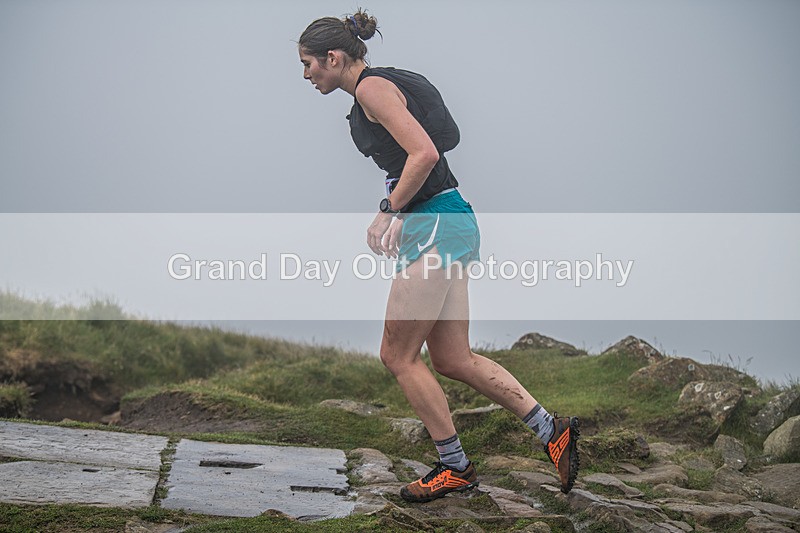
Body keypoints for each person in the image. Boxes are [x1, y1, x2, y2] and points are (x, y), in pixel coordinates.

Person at [297, 10, 579, 502]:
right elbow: (425, 156)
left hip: (435, 225)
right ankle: (550, 430)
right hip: (450, 220)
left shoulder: (371, 89)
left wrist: (388, 210)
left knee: (397, 354)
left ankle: (455, 466)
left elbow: (424, 153)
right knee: (451, 358)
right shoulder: (381, 87)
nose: (306, 75)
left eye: (308, 64)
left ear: (333, 58)